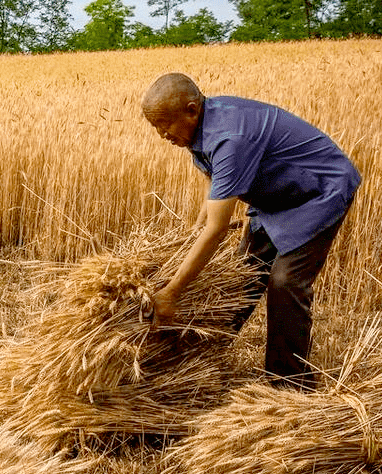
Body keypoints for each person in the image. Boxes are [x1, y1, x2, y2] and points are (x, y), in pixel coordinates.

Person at [141, 72, 360, 391]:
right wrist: (199, 229)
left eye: (165, 124)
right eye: (155, 127)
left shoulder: (229, 136)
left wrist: (171, 292)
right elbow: (216, 184)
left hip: (317, 192)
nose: (162, 134)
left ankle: (289, 385)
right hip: (277, 195)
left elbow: (216, 230)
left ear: (191, 110)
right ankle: (201, 359)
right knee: (243, 275)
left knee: (285, 282)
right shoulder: (201, 124)